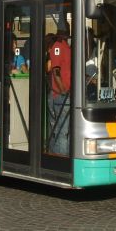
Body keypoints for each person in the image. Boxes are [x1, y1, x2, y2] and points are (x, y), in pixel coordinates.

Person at [48, 26, 71, 155]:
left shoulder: (67, 47)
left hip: (68, 94)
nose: (67, 33)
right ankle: (62, 159)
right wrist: (63, 90)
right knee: (62, 130)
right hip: (62, 95)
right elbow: (56, 71)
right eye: (65, 30)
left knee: (64, 130)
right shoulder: (58, 46)